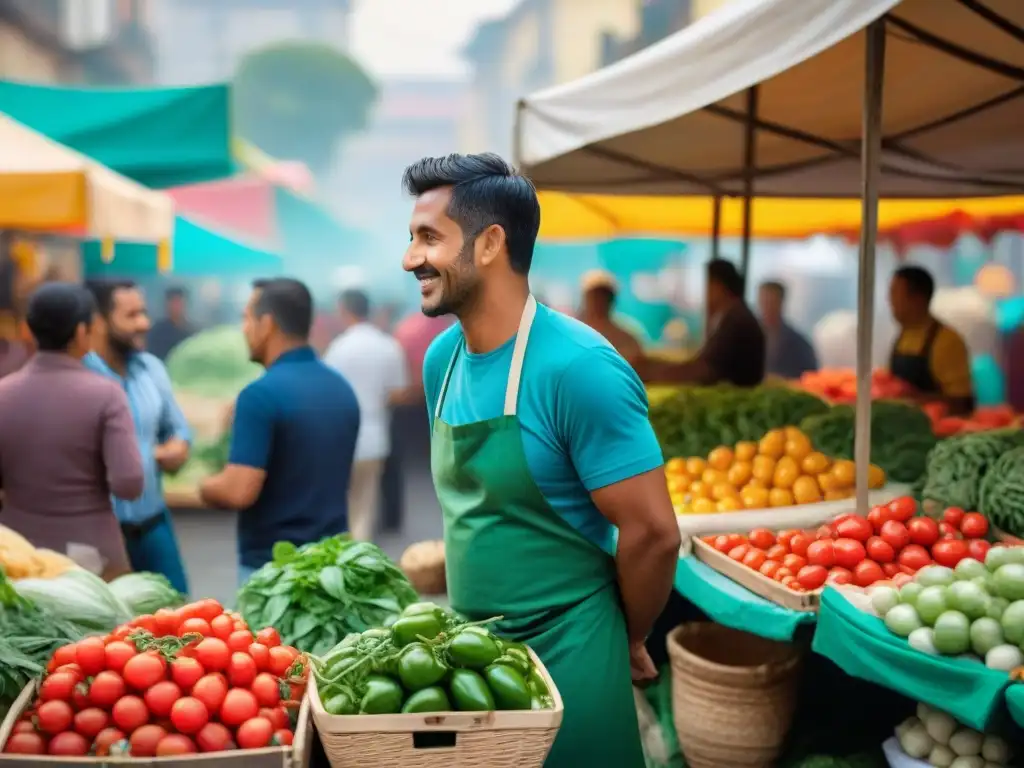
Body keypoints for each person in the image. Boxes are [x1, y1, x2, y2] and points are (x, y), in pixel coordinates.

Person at [403, 153, 679, 768]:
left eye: (429, 238)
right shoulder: (440, 361)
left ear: (490, 244)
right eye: (412, 238)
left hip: (571, 656)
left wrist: (627, 635)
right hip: (471, 661)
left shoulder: (579, 368)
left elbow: (654, 533)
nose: (410, 258)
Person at [199, 278, 360, 583]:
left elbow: (238, 490)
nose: (243, 328)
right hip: (333, 568)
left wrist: (204, 486)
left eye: (247, 318)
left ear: (267, 323)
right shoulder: (341, 388)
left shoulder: (259, 395)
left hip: (273, 572)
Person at [0, 284, 144, 579]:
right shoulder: (106, 395)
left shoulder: (3, 394)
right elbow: (128, 483)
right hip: (91, 558)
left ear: (29, 329)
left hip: (17, 558)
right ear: (82, 332)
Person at [84, 279, 192, 594]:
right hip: (102, 536)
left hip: (155, 526)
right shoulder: (82, 378)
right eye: (131, 315)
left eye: (143, 312)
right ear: (99, 321)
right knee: (111, 631)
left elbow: (178, 429)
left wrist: (177, 447)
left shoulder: (152, 369)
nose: (143, 323)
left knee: (181, 616)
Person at [323, 289, 409, 541]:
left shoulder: (338, 348)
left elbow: (328, 392)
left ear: (344, 310)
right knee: (365, 506)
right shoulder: (388, 345)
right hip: (375, 436)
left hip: (342, 436)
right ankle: (359, 552)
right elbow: (399, 393)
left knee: (343, 502)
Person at [640, 258, 765, 387]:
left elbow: (707, 370)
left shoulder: (737, 320)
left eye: (708, 286)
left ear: (718, 286)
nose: (705, 294)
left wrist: (655, 375)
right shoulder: (733, 315)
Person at [888, 265, 975, 414]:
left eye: (895, 295)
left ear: (918, 299)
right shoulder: (904, 335)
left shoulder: (947, 341)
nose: (891, 303)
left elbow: (962, 402)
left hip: (940, 431)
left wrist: (912, 401)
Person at [577, 269, 644, 367]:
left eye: (603, 296)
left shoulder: (628, 339)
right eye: (594, 296)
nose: (598, 301)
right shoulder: (573, 333)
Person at [758, 280, 818, 379]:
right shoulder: (748, 333)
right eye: (763, 300)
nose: (766, 306)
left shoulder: (797, 341)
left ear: (781, 302)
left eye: (771, 301)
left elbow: (810, 374)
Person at [147, 287, 195, 361]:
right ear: (167, 304)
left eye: (179, 302)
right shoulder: (157, 332)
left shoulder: (192, 332)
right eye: (173, 302)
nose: (176, 307)